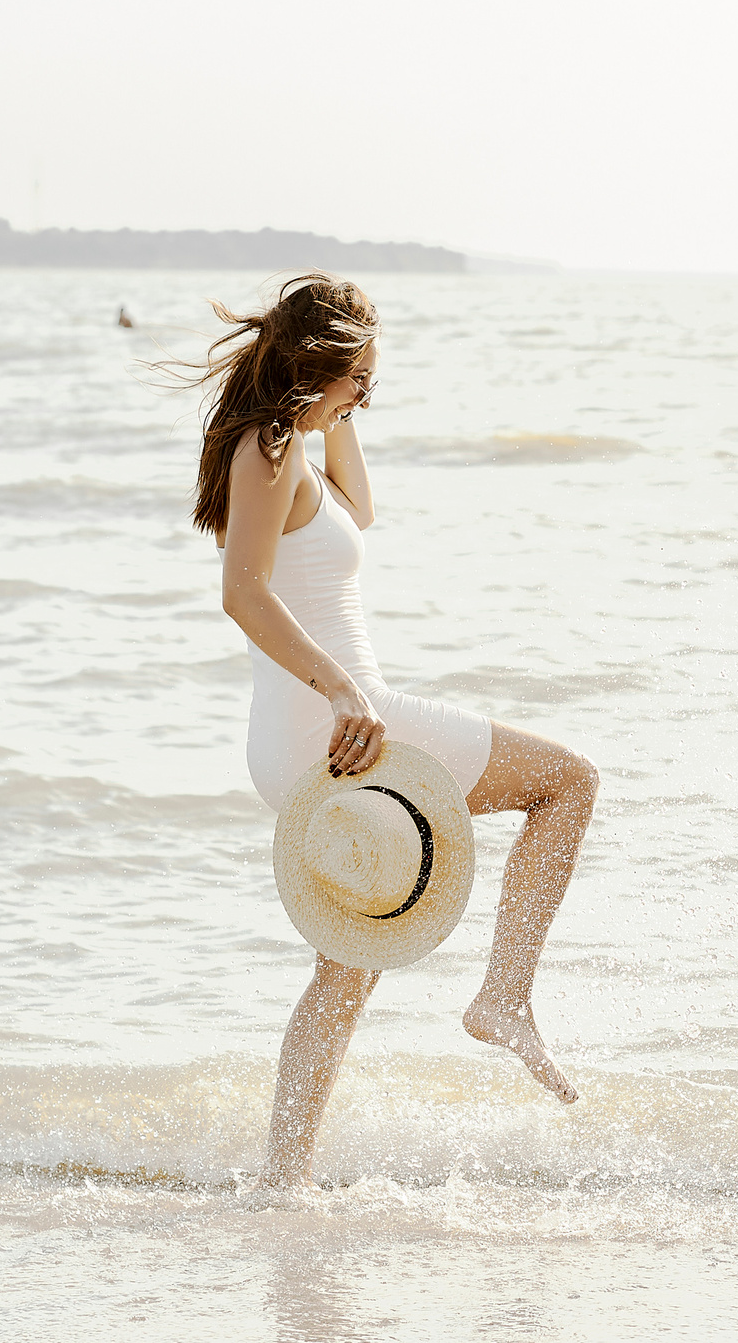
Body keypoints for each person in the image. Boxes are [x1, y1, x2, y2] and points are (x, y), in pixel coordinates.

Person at [189, 272, 599, 1188]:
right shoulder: (267, 448)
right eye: (361, 377)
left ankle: (283, 1179)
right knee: (568, 780)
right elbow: (243, 593)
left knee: (346, 970)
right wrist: (344, 691)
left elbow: (358, 509)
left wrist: (337, 405)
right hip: (343, 723)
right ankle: (504, 996)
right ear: (317, 365)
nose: (368, 395)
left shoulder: (293, 442)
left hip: (318, 729)